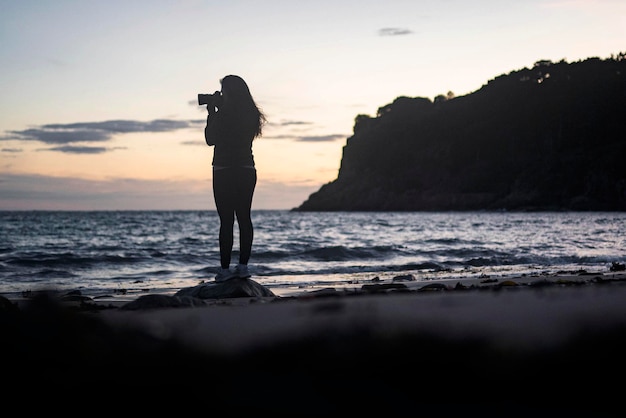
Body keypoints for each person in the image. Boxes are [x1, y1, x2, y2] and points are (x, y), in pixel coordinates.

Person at [204, 75, 266, 282]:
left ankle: (224, 270)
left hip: (223, 170)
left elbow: (210, 139)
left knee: (226, 221)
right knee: (244, 218)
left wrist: (212, 113)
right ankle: (243, 267)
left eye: (223, 90)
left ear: (230, 92)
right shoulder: (251, 114)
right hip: (246, 169)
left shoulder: (223, 115)